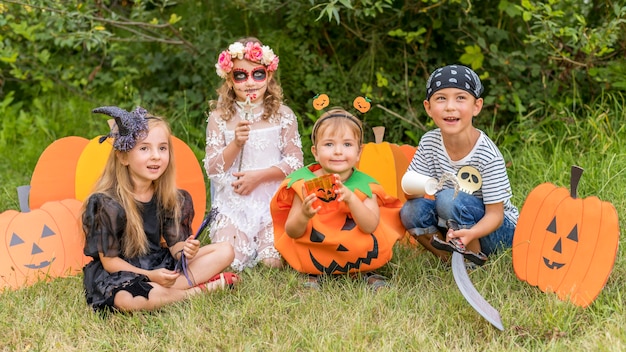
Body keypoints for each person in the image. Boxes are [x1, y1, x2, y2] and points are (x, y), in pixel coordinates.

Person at [82, 106, 238, 312]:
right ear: (123, 157)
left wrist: (186, 250)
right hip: (123, 273)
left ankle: (165, 291)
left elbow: (175, 249)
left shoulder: (172, 198)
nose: (156, 156)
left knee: (225, 250)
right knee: (126, 299)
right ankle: (200, 290)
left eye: (162, 148)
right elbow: (110, 263)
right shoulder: (107, 203)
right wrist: (150, 277)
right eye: (144, 148)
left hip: (158, 263)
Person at [270, 108, 405, 290]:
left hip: (356, 251)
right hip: (317, 251)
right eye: (329, 144)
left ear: (359, 152)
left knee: (364, 247)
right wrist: (304, 214)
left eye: (347, 145)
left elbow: (370, 226)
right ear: (315, 152)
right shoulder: (303, 184)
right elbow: (292, 232)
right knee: (312, 249)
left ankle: (366, 272)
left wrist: (352, 200)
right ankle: (313, 275)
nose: (338, 152)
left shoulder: (365, 186)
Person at [400, 64, 519, 267]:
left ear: (477, 106)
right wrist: (418, 185)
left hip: (496, 232)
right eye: (441, 98)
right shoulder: (429, 142)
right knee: (411, 210)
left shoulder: (487, 154)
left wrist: (472, 233)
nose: (450, 106)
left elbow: (496, 215)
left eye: (460, 98)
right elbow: (412, 196)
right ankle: (451, 261)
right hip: (454, 221)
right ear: (428, 108)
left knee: (448, 198)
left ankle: (474, 264)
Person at [204, 37, 303, 271]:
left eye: (257, 74)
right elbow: (213, 168)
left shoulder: (283, 115)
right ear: (229, 79)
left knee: (271, 262)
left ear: (268, 76)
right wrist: (235, 144)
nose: (250, 82)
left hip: (272, 202)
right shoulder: (219, 118)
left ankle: (267, 242)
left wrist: (258, 177)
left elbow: (296, 162)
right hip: (234, 204)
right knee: (231, 262)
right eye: (240, 75)